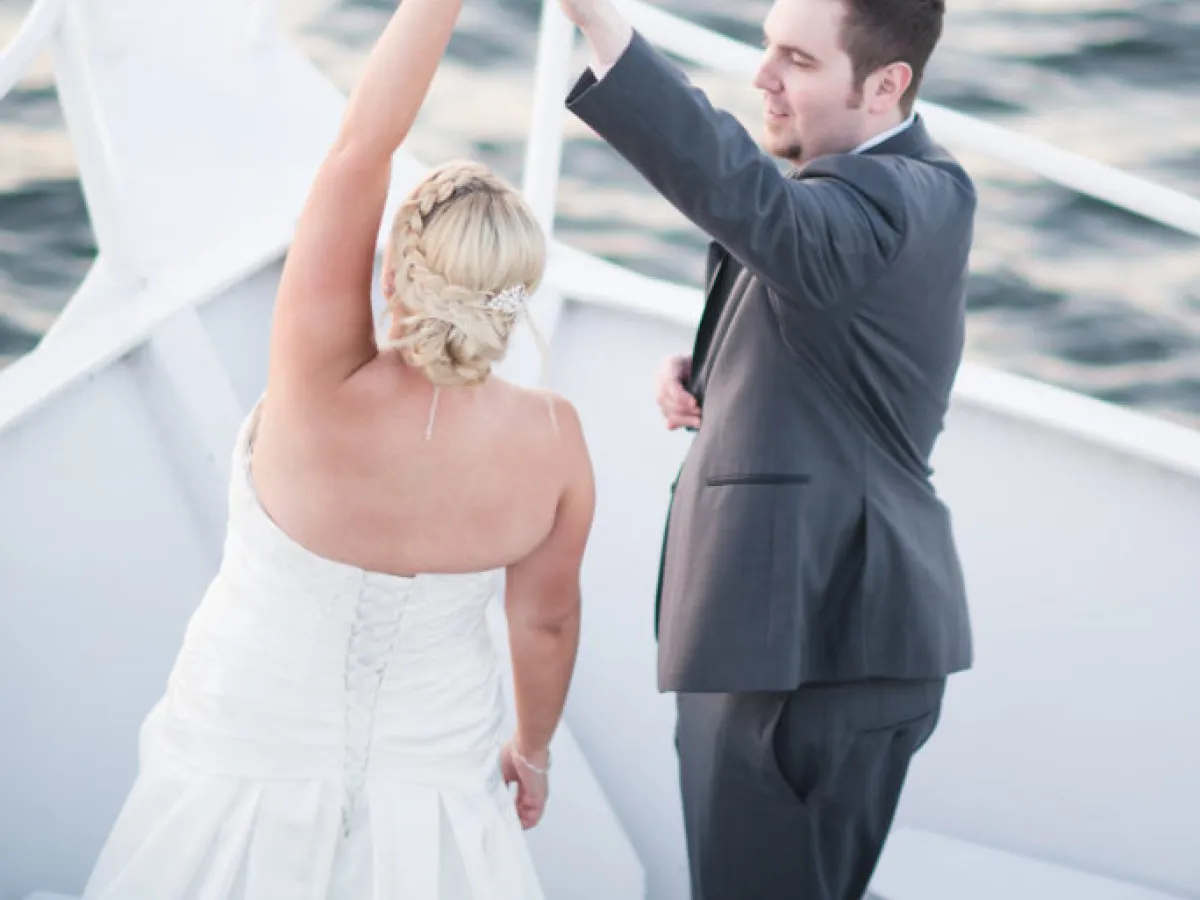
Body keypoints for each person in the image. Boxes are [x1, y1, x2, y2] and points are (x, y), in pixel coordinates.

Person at [82, 0, 594, 896]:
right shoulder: (555, 444)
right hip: (434, 787)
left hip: (242, 753)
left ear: (394, 271)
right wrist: (534, 751)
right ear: (517, 296)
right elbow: (545, 624)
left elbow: (364, 145)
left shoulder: (317, 386)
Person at [557, 0, 975, 896]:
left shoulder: (901, 197)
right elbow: (828, 329)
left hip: (809, 656)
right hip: (798, 640)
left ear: (886, 84)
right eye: (765, 48)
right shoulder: (869, 192)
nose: (763, 77)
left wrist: (606, 31)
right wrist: (717, 372)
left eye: (798, 60)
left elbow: (757, 205)